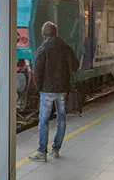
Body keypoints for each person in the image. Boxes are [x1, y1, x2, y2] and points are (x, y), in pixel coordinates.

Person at [31, 21, 79, 161]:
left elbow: (37, 72)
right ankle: (56, 150)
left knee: (44, 120)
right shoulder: (66, 48)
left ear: (43, 34)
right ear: (55, 33)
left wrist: (40, 87)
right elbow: (75, 66)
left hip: (47, 90)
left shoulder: (43, 49)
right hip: (63, 89)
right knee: (61, 120)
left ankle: (42, 152)